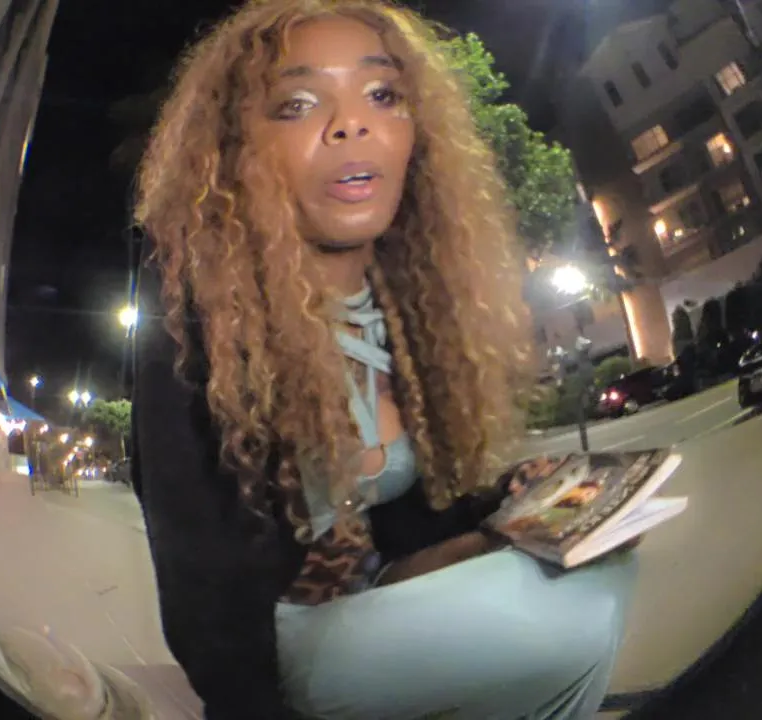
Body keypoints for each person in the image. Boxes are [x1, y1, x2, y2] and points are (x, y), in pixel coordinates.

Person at [128, 1, 638, 718]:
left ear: (414, 136)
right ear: (239, 150)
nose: (351, 124)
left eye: (382, 94)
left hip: (390, 597)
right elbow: (200, 594)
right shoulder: (196, 325)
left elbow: (416, 528)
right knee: (572, 615)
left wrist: (514, 501)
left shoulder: (410, 311)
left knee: (602, 559)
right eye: (298, 104)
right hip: (280, 655)